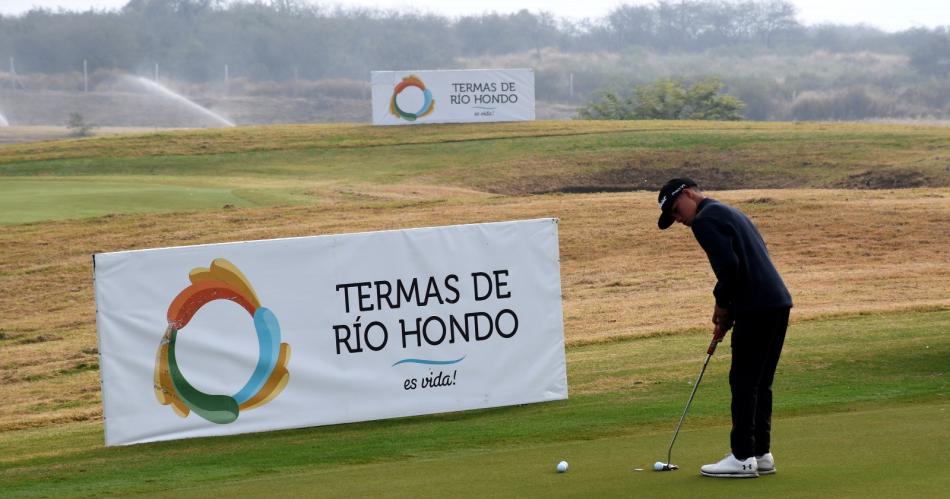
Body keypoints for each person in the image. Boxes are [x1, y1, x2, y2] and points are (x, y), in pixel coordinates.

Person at [657, 178, 792, 478]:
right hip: (776, 303)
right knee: (760, 382)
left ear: (690, 193)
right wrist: (730, 311)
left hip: (756, 306)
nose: (678, 220)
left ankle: (742, 457)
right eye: (673, 217)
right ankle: (761, 453)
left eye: (677, 210)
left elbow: (730, 268)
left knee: (743, 382)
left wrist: (721, 306)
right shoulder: (731, 212)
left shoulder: (705, 220)